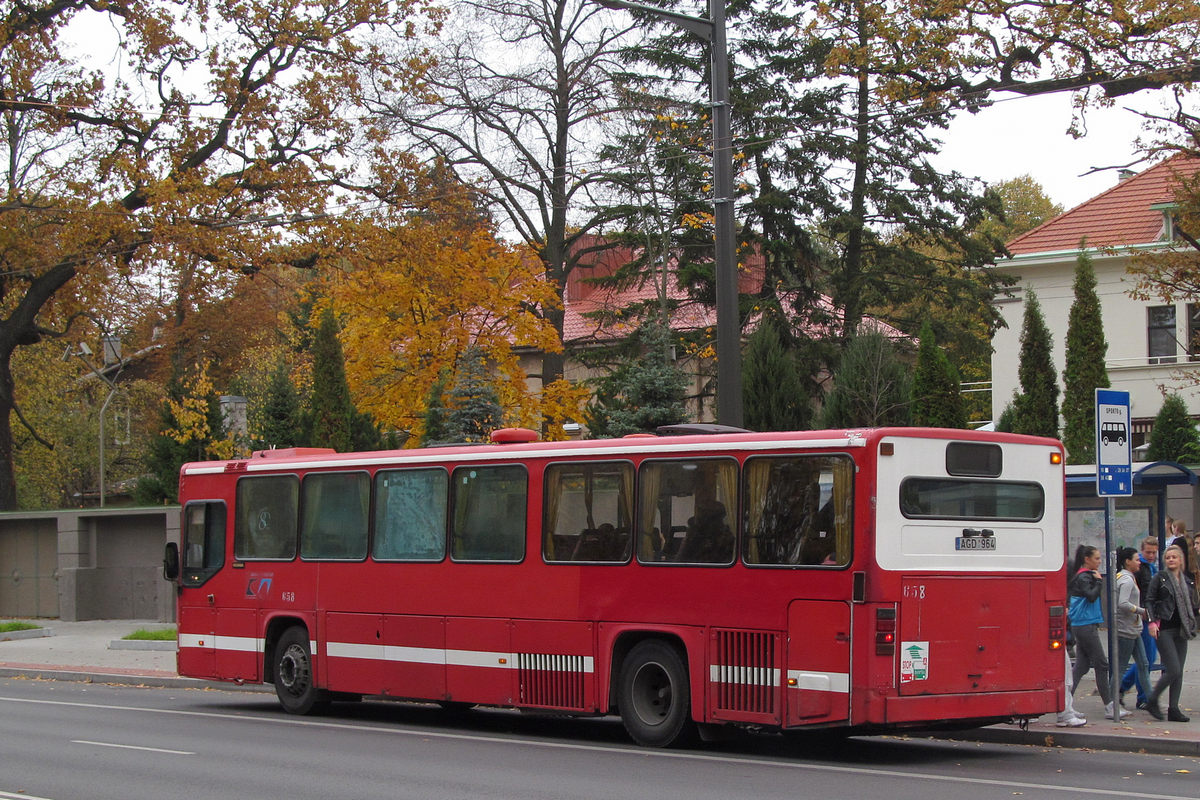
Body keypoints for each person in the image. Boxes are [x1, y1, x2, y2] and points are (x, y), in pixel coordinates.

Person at [1068, 545, 1128, 719]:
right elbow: (1091, 596)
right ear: (1087, 559)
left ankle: (1065, 704)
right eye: (1096, 558)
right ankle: (1110, 706)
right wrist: (1099, 581)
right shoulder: (1085, 577)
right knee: (1101, 664)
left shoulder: (1083, 576)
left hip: (1084, 624)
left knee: (1081, 666)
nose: (1099, 561)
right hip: (1085, 625)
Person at [1144, 544, 1200, 722]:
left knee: (1179, 671)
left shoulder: (1186, 580)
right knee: (1173, 669)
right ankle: (1152, 699)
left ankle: (1173, 709)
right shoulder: (1160, 578)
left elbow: (1192, 604)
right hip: (1164, 629)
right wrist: (1152, 622)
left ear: (1180, 560)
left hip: (1181, 629)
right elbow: (1150, 601)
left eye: (1174, 557)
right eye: (1168, 558)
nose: (1171, 560)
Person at [1120, 535, 1159, 708]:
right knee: (1147, 659)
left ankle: (1122, 687)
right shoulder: (1141, 568)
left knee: (1145, 659)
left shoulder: (1151, 567)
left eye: (1154, 552)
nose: (1151, 555)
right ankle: (1142, 697)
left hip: (1147, 616)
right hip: (1143, 617)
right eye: (1148, 552)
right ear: (1142, 551)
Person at [1113, 546, 1152, 716]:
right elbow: (1122, 603)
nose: (1139, 562)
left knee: (1143, 664)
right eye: (1136, 559)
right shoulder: (1127, 580)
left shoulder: (1126, 577)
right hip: (1127, 630)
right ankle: (1112, 702)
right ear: (1127, 562)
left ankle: (1151, 700)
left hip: (1133, 629)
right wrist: (1141, 611)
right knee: (1121, 667)